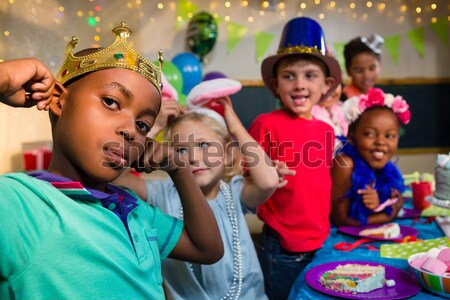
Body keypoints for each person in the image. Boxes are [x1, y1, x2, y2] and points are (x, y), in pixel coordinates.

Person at [0, 23, 224, 299]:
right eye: (111, 102)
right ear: (58, 99)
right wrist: (4, 76)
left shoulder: (132, 208)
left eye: (143, 124)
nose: (131, 130)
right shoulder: (20, 203)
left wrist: (178, 168)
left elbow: (208, 249)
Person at [116, 77, 283, 299]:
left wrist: (234, 125)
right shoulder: (161, 193)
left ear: (225, 152)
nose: (194, 158)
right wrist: (153, 127)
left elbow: (269, 181)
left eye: (204, 145)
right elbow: (118, 179)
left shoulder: (233, 191)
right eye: (181, 150)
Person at [248, 17, 342, 300]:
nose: (299, 84)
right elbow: (243, 177)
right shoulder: (265, 124)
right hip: (283, 247)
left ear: (325, 85)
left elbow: (320, 183)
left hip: (321, 240)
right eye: (289, 76)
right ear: (276, 85)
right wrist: (266, 172)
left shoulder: (327, 131)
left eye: (309, 76)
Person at [331, 87, 411, 227]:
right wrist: (388, 216)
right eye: (369, 134)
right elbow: (340, 220)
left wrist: (381, 202)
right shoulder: (344, 165)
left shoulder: (384, 166)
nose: (381, 142)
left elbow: (383, 201)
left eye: (389, 136)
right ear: (351, 136)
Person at [342, 34, 384, 99]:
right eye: (359, 70)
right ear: (348, 70)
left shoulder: (381, 97)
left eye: (372, 68)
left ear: (380, 67)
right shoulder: (342, 98)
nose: (366, 75)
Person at [312, 83, 348, 152]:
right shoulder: (308, 115)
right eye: (323, 83)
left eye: (334, 83)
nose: (328, 90)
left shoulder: (342, 109)